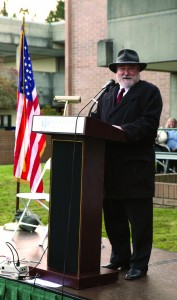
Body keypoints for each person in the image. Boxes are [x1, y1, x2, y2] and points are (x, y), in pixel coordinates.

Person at [91, 49, 163, 280]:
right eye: (122, 68)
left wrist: (121, 131)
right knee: (114, 219)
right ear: (115, 72)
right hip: (109, 169)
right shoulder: (108, 93)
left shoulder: (150, 92)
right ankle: (120, 258)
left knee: (139, 222)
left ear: (139, 70)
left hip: (135, 169)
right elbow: (95, 121)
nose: (126, 71)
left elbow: (148, 124)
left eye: (131, 67)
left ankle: (139, 265)